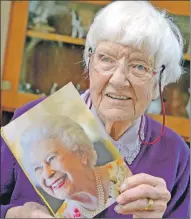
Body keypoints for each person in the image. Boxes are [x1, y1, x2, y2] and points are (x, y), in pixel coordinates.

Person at [1, 1, 190, 218]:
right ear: (89, 64)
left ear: (160, 84)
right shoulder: (31, 119)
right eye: (106, 59)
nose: (119, 80)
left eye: (139, 66)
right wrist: (13, 214)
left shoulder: (176, 154)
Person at [19, 115, 131, 218]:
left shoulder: (127, 175)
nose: (47, 174)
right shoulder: (64, 216)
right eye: (38, 168)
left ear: (81, 153)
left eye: (51, 158)